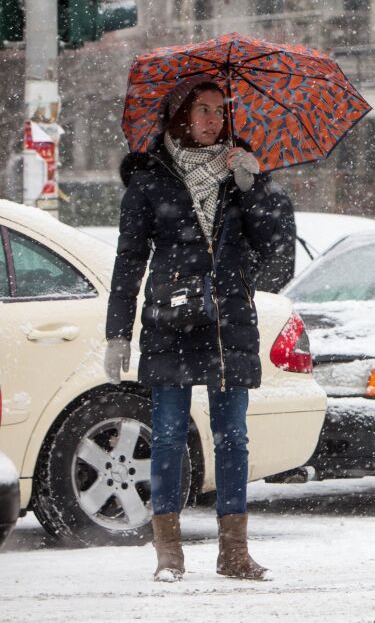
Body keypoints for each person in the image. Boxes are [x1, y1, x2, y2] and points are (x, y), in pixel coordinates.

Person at [104, 75, 281, 582]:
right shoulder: (151, 179)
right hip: (171, 320)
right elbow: (129, 260)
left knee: (233, 438)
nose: (213, 120)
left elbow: (274, 250)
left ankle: (234, 553)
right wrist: (117, 331)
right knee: (166, 436)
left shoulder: (238, 172)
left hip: (229, 320)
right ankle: (169, 553)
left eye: (220, 111)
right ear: (181, 115)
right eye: (203, 110)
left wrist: (254, 187)